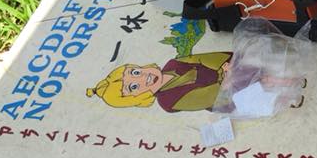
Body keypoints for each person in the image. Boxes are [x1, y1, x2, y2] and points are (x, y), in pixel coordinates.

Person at [86, 52, 231, 112]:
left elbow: (202, 58)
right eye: (134, 86)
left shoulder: (173, 63)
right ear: (137, 97)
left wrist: (223, 66)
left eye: (135, 73)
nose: (145, 77)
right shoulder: (168, 101)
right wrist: (226, 77)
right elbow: (208, 97)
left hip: (231, 67)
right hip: (230, 95)